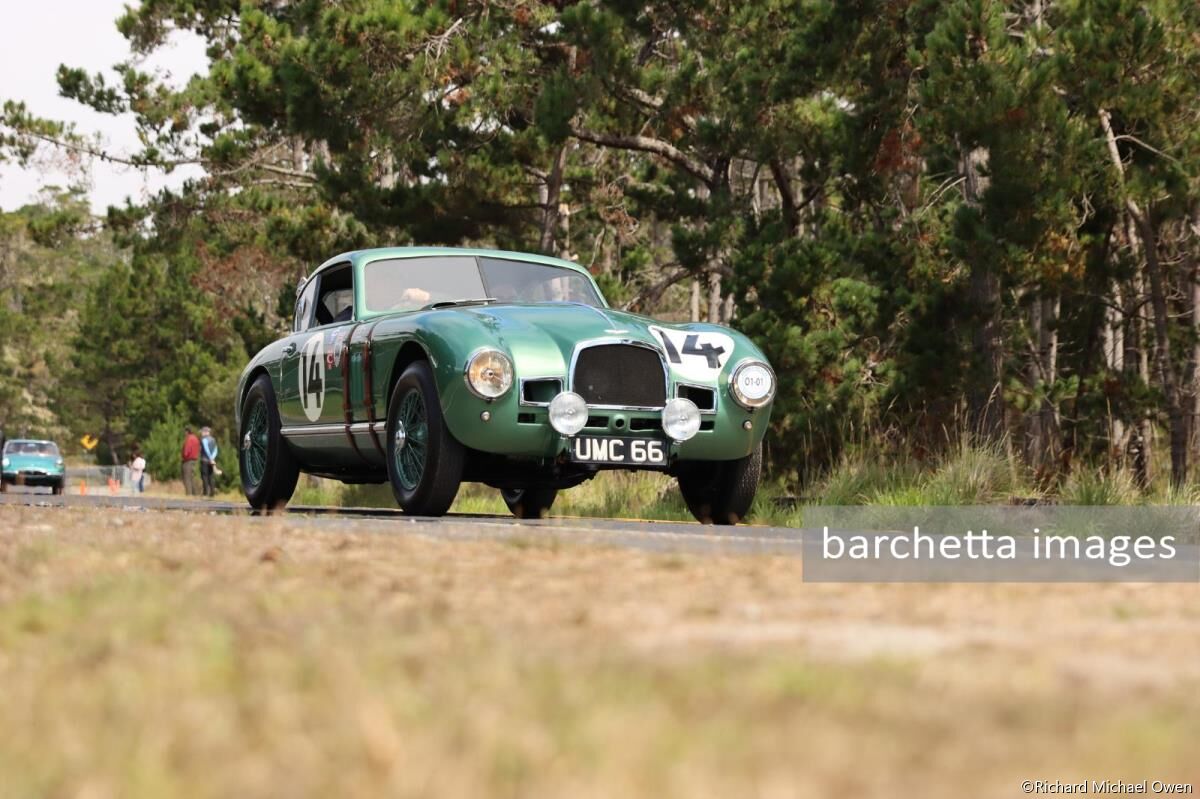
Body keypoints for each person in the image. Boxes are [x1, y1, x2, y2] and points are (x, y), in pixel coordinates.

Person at [199, 426, 219, 498]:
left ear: (206, 432)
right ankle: (212, 493)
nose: (201, 433)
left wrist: (210, 458)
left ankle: (205, 493)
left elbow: (206, 449)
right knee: (211, 476)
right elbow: (216, 450)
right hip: (211, 461)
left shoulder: (204, 440)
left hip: (205, 460)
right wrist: (212, 458)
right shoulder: (213, 439)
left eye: (202, 432)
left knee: (204, 476)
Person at [181, 426, 201, 496]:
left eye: (185, 432)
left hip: (188, 460)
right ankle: (195, 493)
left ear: (187, 431)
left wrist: (184, 456)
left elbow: (186, 451)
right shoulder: (195, 438)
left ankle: (189, 493)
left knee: (187, 478)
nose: (184, 433)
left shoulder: (189, 439)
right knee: (191, 477)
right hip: (194, 460)